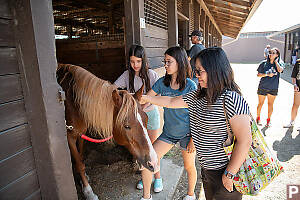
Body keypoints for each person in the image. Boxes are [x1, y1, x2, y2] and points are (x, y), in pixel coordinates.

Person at [141, 47, 252, 200]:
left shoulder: (231, 99)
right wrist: (146, 98)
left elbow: (245, 140)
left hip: (225, 170)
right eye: (196, 71)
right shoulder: (198, 95)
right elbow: (171, 101)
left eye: (200, 71)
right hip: (207, 170)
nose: (197, 75)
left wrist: (230, 173)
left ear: (215, 70)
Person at [140, 46, 197, 200]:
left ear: (179, 62)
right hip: (169, 133)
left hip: (187, 134)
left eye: (168, 62)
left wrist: (193, 139)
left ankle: (191, 195)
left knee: (189, 166)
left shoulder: (190, 86)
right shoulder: (161, 83)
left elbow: (197, 116)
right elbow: (145, 100)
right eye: (164, 62)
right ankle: (146, 197)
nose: (165, 65)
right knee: (148, 162)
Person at [114, 44, 162, 191]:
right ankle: (145, 178)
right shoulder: (126, 75)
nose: (135, 65)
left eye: (138, 61)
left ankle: (158, 178)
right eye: (132, 61)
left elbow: (159, 96)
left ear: (143, 60)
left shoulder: (152, 75)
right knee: (140, 149)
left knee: (152, 149)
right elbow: (113, 88)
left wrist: (144, 106)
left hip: (150, 114)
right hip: (135, 119)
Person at [256, 47, 285, 127]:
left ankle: (268, 120)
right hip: (263, 87)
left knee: (270, 104)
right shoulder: (263, 63)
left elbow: (280, 70)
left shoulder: (280, 63)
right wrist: (267, 74)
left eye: (273, 53)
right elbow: (258, 74)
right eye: (270, 52)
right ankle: (258, 118)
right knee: (260, 104)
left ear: (277, 55)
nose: (270, 54)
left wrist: (276, 62)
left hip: (273, 88)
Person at [284, 59, 300, 129]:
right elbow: (294, 75)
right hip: (298, 87)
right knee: (295, 105)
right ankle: (292, 122)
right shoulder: (298, 62)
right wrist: (295, 85)